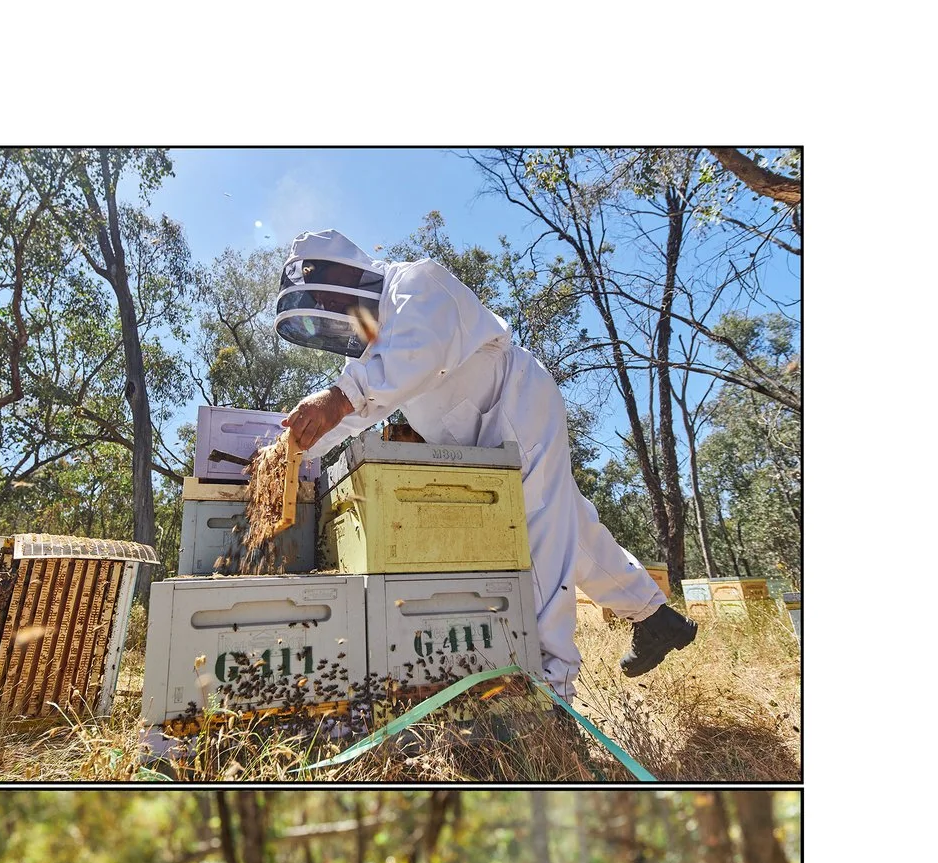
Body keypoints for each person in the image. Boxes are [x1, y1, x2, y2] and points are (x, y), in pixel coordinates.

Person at [272, 230, 700, 692]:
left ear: (339, 269)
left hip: (514, 407)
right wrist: (294, 452)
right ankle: (655, 617)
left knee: (538, 534)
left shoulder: (417, 282)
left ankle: (552, 688)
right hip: (487, 435)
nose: (330, 310)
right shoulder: (380, 348)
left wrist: (339, 395)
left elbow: (411, 358)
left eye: (323, 295)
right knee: (568, 525)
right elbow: (360, 408)